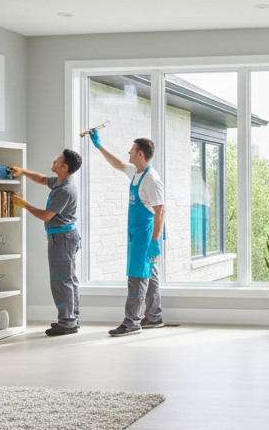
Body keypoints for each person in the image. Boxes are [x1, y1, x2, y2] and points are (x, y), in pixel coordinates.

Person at [87, 130, 168, 335]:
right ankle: (154, 316)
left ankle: (132, 322)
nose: (129, 153)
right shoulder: (136, 172)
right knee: (150, 274)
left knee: (137, 276)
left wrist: (154, 241)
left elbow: (160, 212)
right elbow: (118, 164)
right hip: (136, 233)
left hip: (146, 236)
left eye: (131, 150)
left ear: (140, 154)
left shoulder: (152, 179)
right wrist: (99, 145)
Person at [9, 150, 83, 336]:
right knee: (68, 279)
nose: (54, 161)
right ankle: (71, 319)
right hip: (64, 237)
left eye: (58, 160)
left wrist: (24, 204)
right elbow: (42, 179)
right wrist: (22, 171)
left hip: (62, 238)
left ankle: (67, 322)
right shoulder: (61, 182)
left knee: (61, 281)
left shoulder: (65, 190)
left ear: (64, 167)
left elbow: (46, 215)